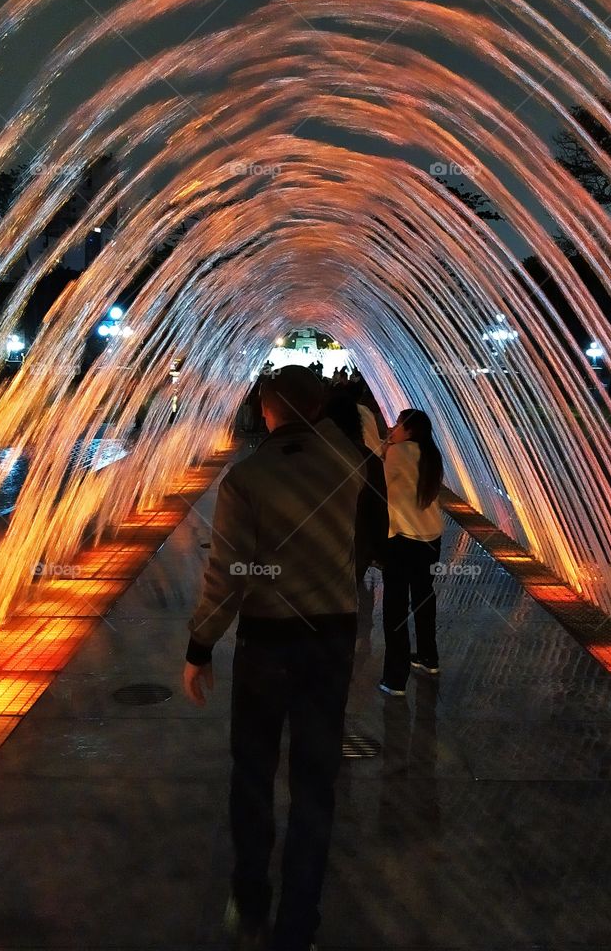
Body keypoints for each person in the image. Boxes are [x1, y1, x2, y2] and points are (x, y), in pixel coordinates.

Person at [183, 365, 365, 951]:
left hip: (267, 644)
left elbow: (228, 574)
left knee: (254, 771)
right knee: (316, 782)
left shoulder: (246, 479)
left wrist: (200, 645)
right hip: (331, 640)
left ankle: (252, 894)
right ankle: (299, 924)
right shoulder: (355, 466)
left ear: (267, 412)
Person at [379, 409, 444, 696]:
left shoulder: (398, 453)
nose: (392, 428)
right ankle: (429, 657)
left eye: (397, 424)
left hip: (403, 538)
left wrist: (384, 450)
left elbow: (378, 485)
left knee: (395, 607)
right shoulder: (431, 454)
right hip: (431, 538)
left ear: (410, 430)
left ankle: (395, 679)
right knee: (423, 597)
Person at [323, 391, 389, 583]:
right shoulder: (369, 459)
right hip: (356, 547)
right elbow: (378, 508)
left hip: (318, 549)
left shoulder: (314, 453)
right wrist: (381, 550)